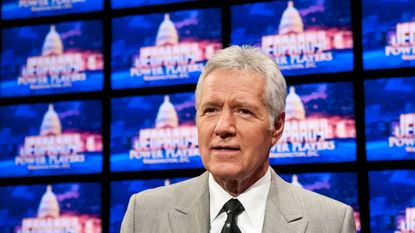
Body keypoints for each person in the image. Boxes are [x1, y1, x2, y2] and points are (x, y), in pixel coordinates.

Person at [121, 45, 356, 233]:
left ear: (276, 126)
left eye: (243, 111)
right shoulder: (143, 214)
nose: (223, 127)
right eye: (211, 109)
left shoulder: (331, 222)